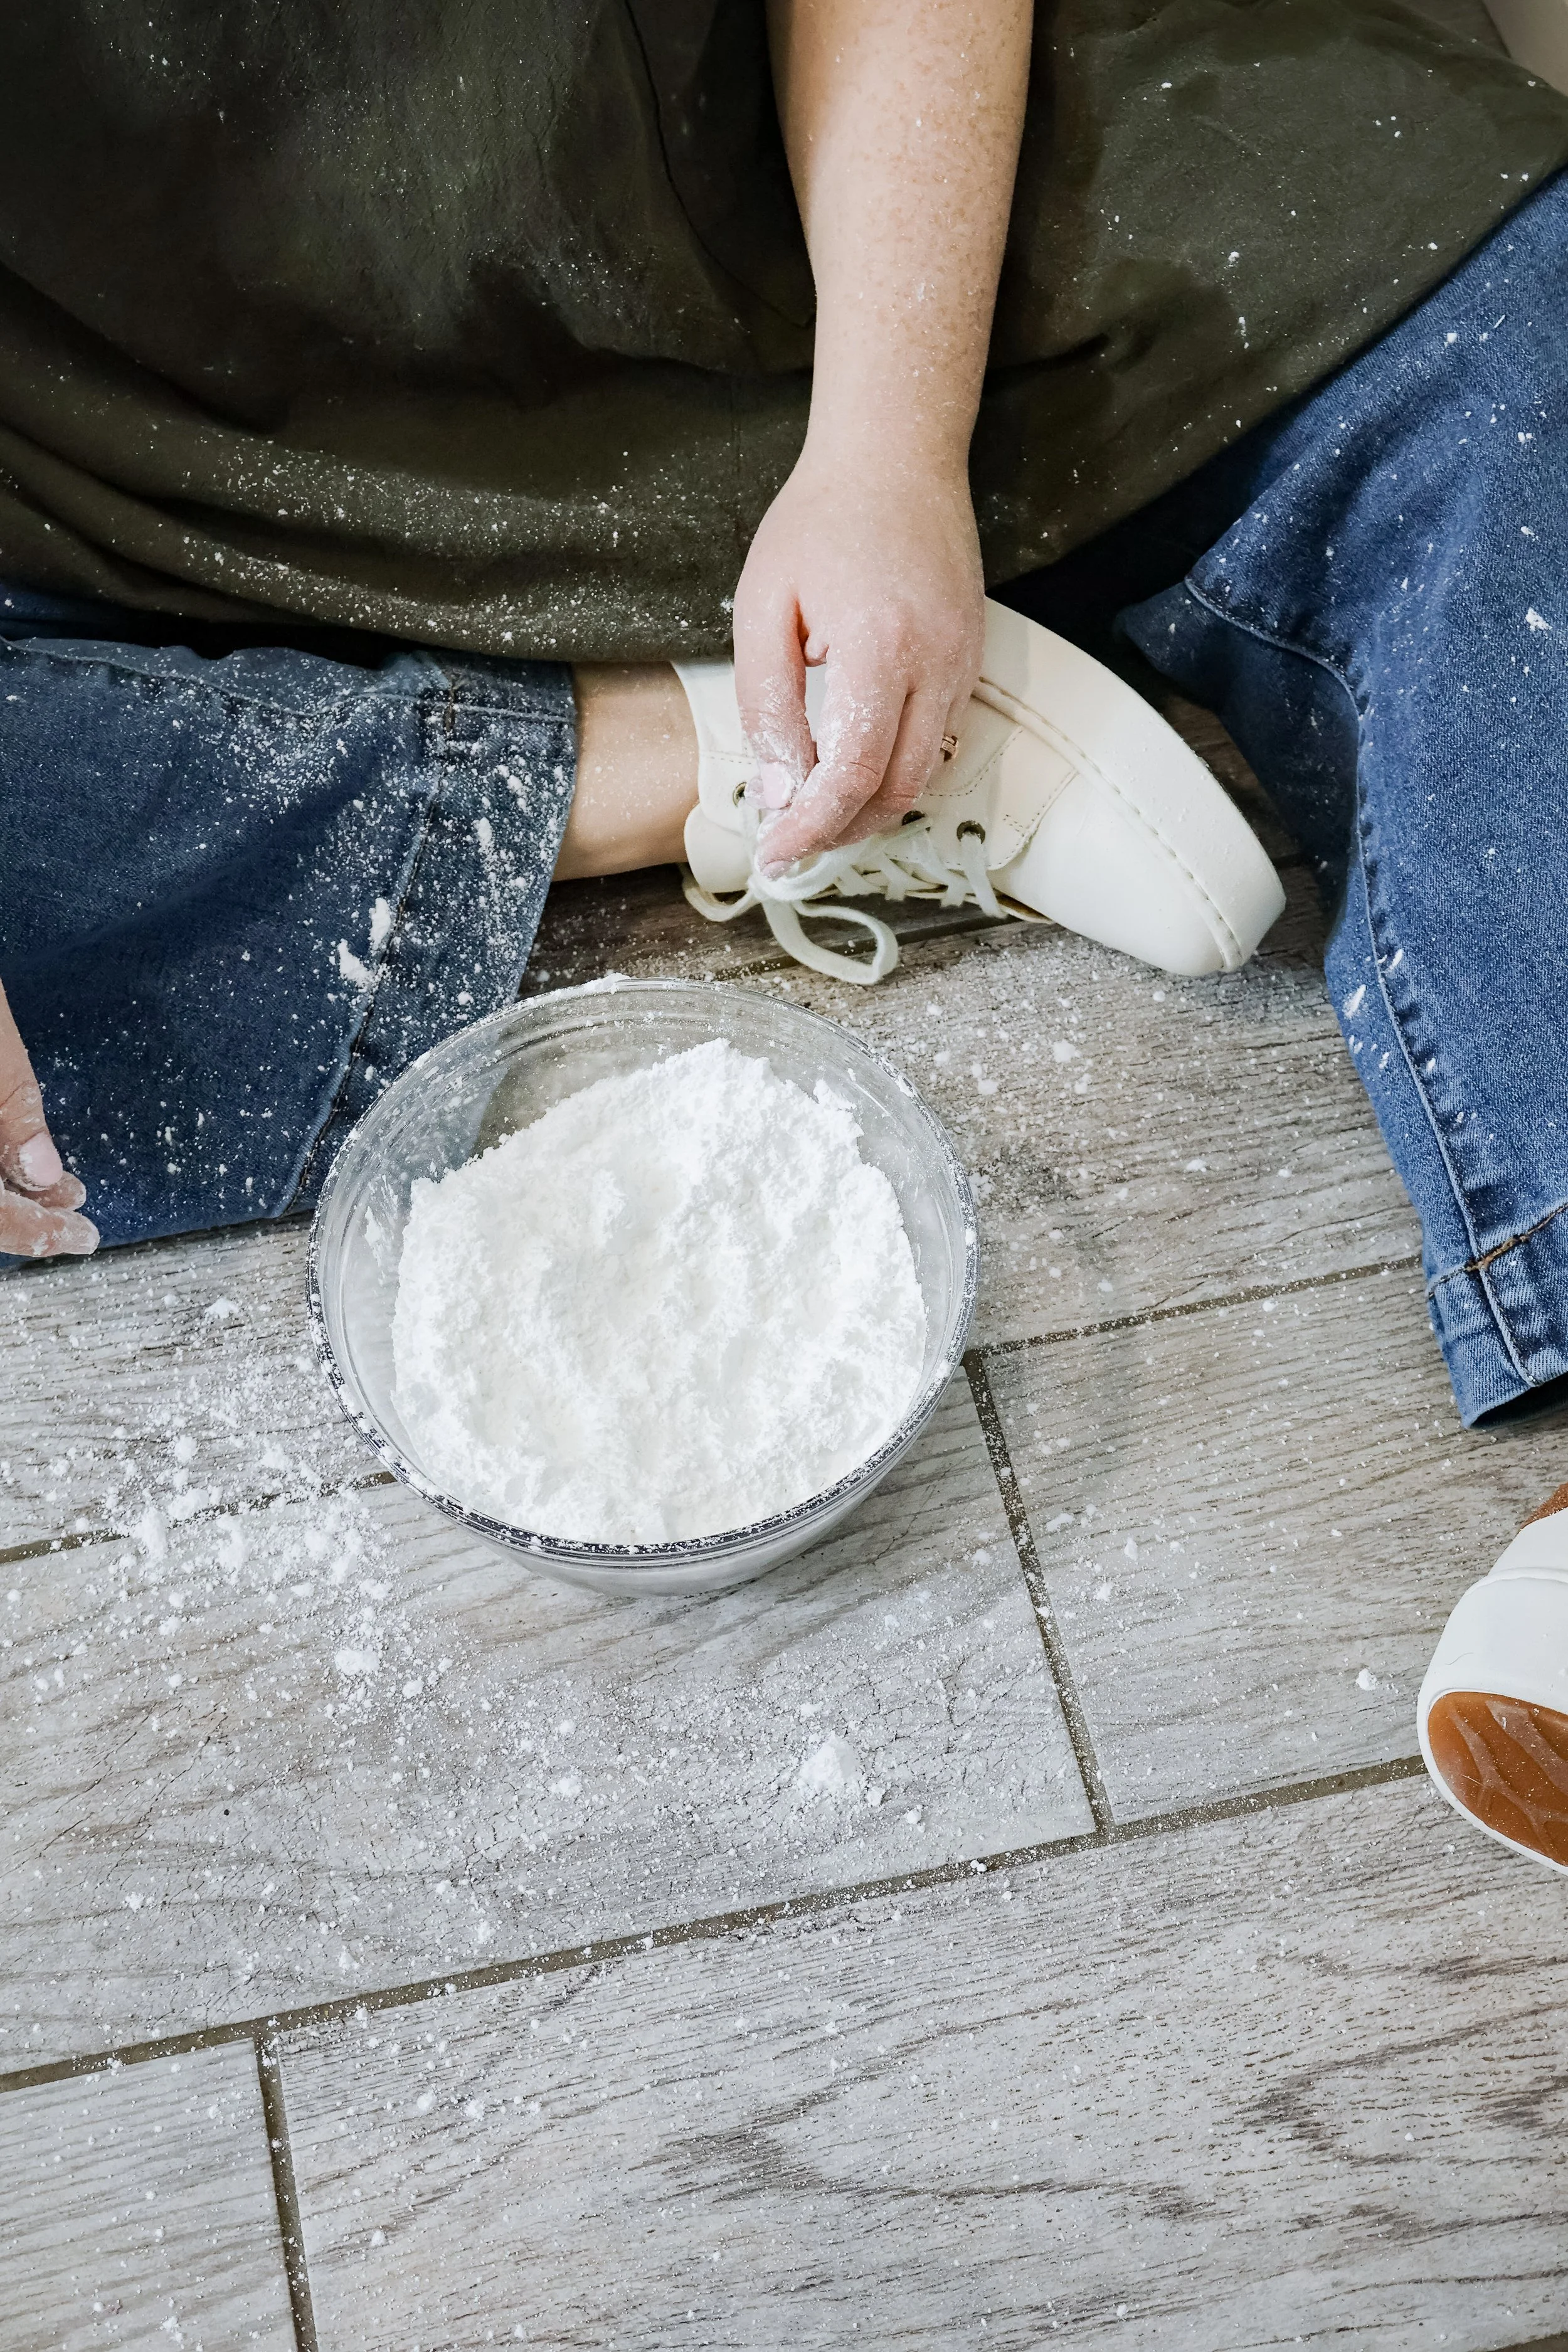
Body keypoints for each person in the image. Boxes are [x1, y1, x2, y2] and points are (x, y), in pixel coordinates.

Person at [1, 1, 1565, 1865]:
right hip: (137, 430)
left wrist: (890, 443)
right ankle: (709, 748)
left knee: (1519, 353)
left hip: (846, 182)